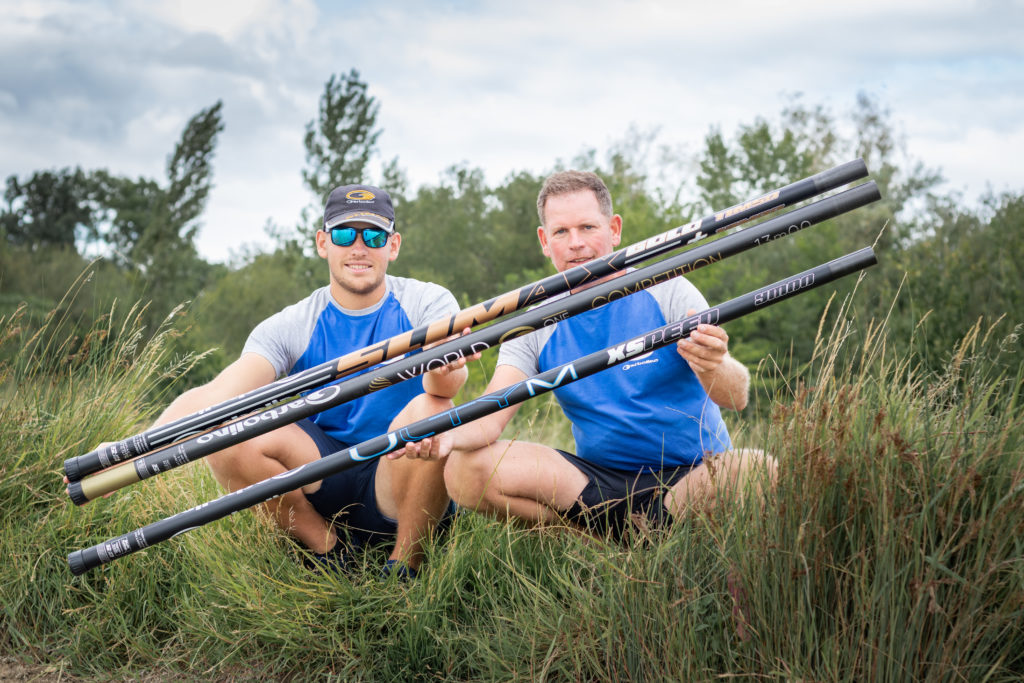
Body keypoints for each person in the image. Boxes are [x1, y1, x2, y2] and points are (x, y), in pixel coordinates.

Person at [402, 170, 776, 537]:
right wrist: (445, 437)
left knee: (759, 469)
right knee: (464, 470)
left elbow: (735, 398)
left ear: (614, 229)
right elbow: (490, 415)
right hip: (599, 486)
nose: (575, 243)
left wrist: (713, 364)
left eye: (588, 228)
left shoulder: (669, 290)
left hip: (689, 475)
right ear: (544, 241)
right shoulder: (534, 322)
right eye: (561, 232)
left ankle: (653, 537)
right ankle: (598, 539)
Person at [132, 184, 468, 576]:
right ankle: (331, 553)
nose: (359, 247)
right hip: (326, 476)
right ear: (323, 243)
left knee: (432, 408)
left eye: (373, 235)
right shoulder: (294, 323)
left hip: (406, 475)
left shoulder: (428, 302)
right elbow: (220, 393)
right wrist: (133, 449)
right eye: (345, 234)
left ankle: (406, 566)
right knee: (225, 432)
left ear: (392, 246)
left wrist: (446, 368)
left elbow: (447, 389)